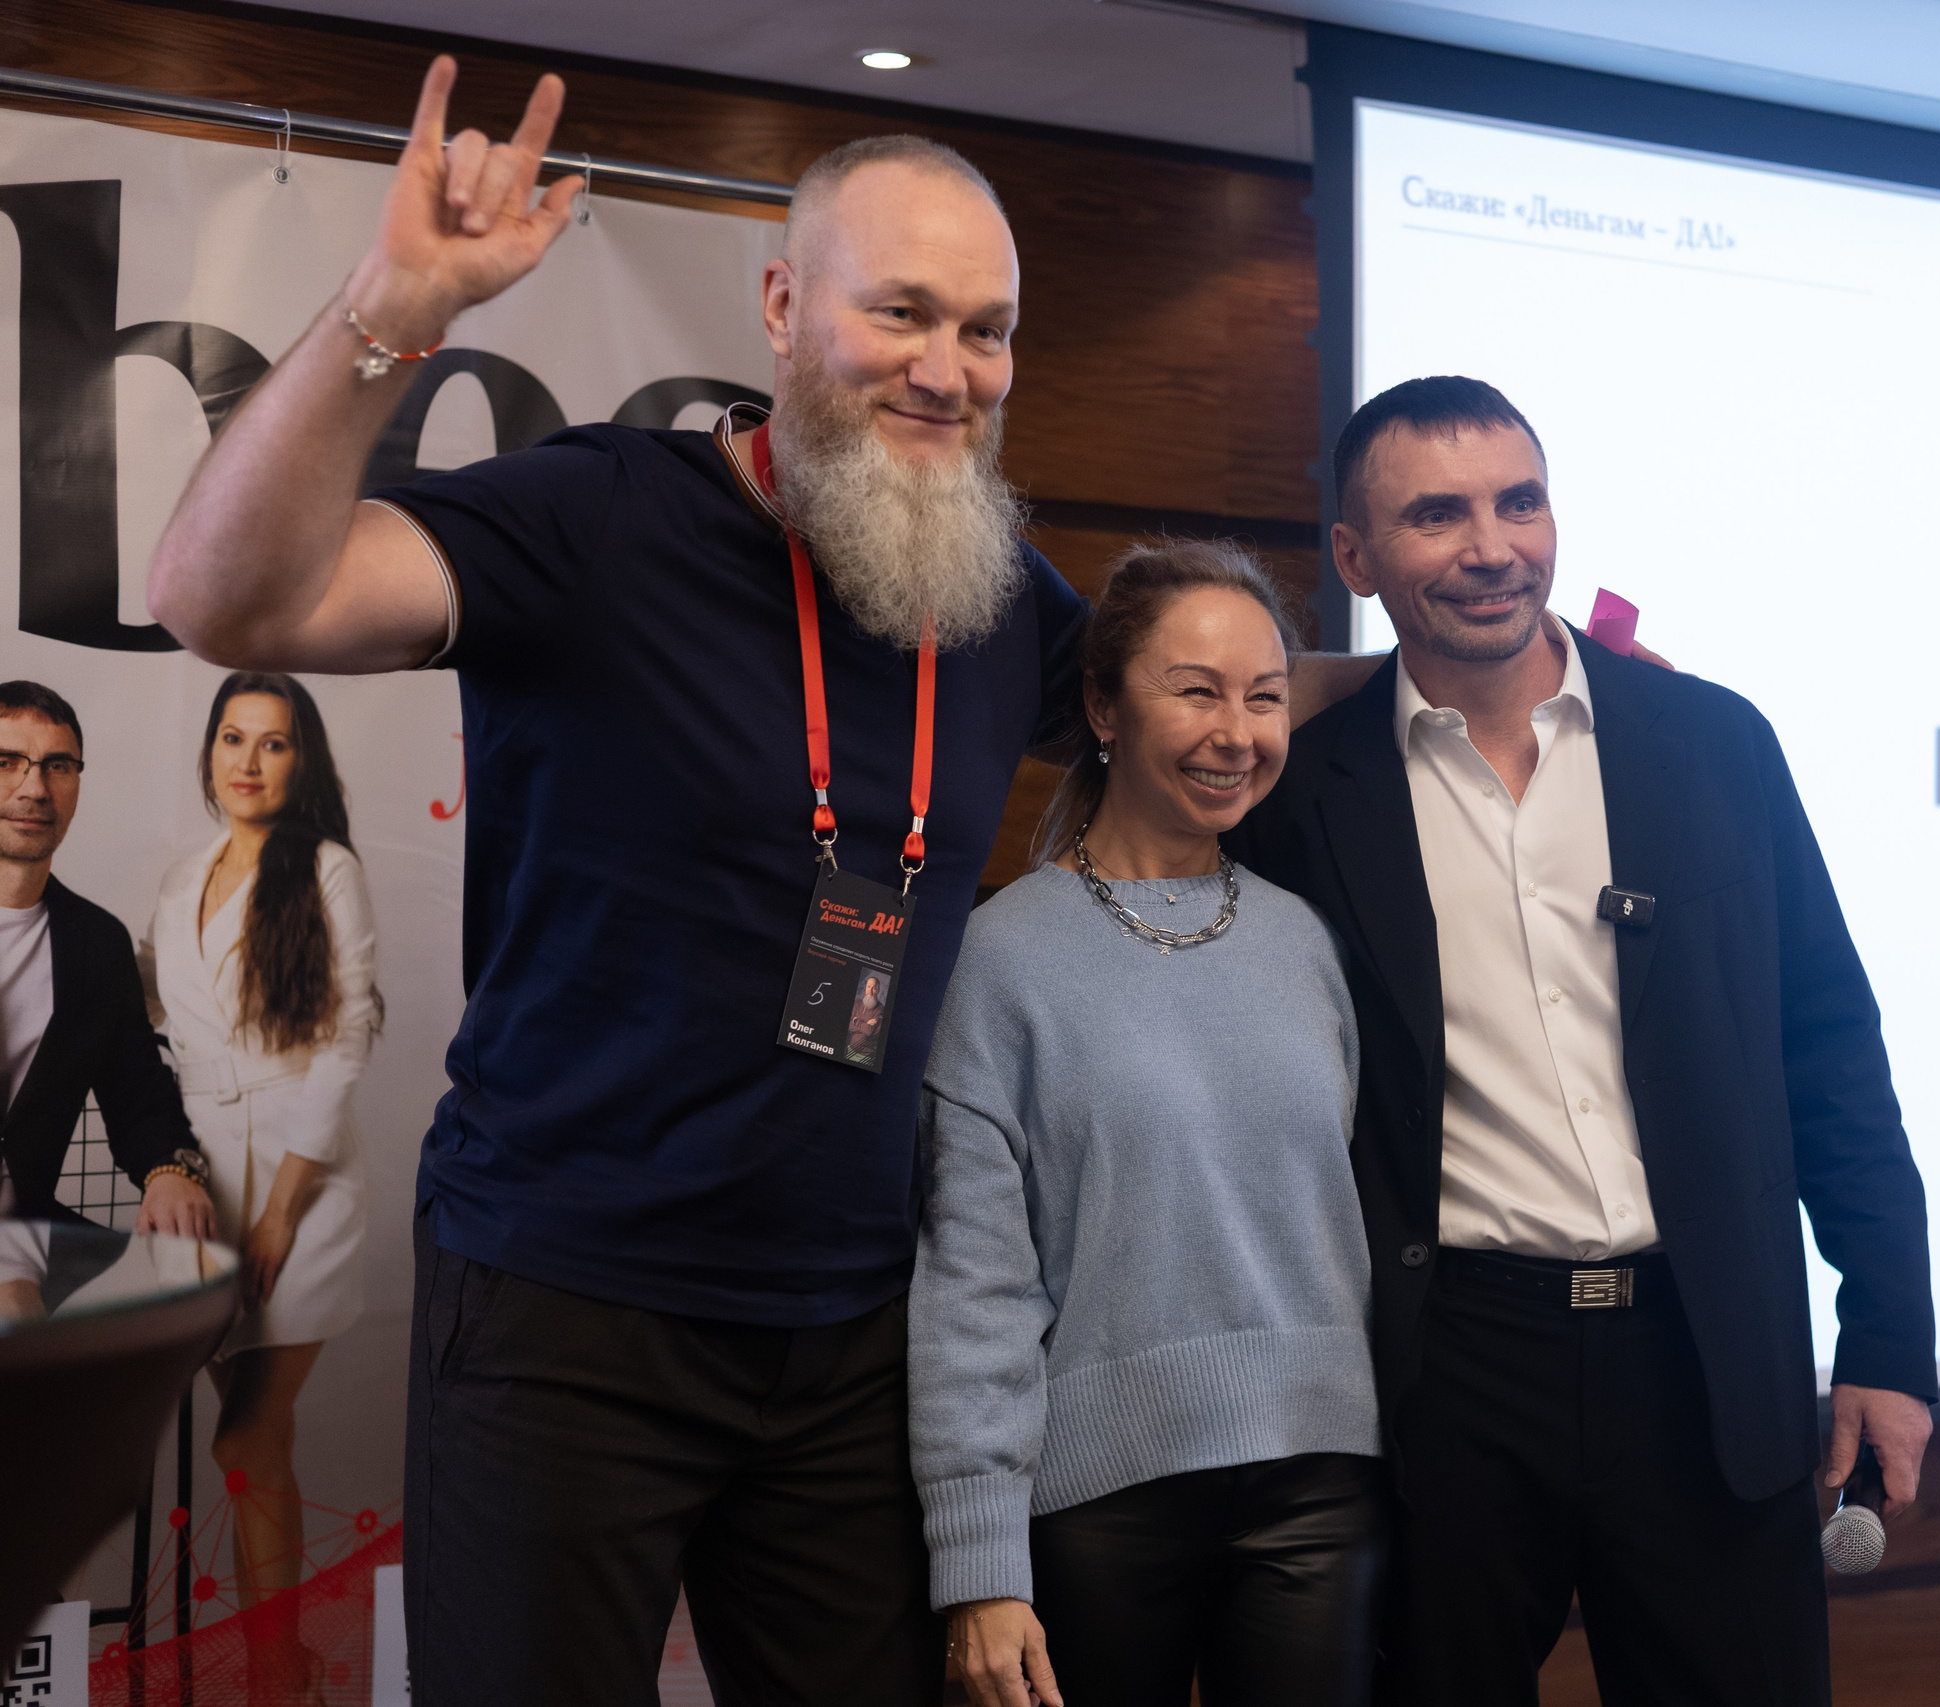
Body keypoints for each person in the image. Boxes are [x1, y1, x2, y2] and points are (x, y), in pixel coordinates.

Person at [143, 59, 1370, 1706]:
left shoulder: (993, 591)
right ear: (786, 304)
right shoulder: (593, 520)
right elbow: (222, 597)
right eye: (906, 314)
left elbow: (1220, 702)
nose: (950, 370)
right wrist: (393, 306)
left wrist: (1469, 641)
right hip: (570, 1314)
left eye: (988, 330)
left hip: (857, 1331)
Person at [1226, 377, 1938, 1706]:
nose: (1493, 544)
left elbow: (1831, 1046)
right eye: (1437, 515)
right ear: (1355, 556)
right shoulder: (1302, 797)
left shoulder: (1714, 742)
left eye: (1520, 500)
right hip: (1450, 1380)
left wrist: (1890, 1335)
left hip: (1703, 1357)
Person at [913, 543, 1381, 1707]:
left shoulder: (1309, 945)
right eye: (1197, 690)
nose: (1238, 732)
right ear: (1101, 706)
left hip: (1325, 1487)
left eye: (1265, 697)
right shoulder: (1002, 959)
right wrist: (978, 1566)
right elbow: (973, 1286)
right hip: (1094, 1505)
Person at [136, 672, 379, 1695]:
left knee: (245, 1438)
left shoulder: (326, 868)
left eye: (273, 743)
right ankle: (292, 1669)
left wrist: (281, 1211)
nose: (247, 760)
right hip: (200, 1192)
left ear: (303, 760)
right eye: (232, 738)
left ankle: (275, 1676)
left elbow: (344, 1041)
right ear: (207, 755)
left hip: (298, 1187)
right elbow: (151, 1012)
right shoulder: (184, 869)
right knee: (256, 1454)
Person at [0, 681, 216, 1282]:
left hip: (26, 1233)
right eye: (6, 762)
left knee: (176, 1290)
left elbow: (137, 1091)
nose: (34, 788)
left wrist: (172, 1172)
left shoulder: (95, 943)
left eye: (58, 766)